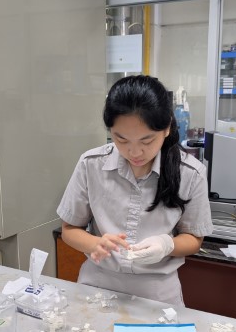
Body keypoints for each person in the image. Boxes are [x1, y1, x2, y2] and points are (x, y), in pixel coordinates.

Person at [57, 75, 213, 306]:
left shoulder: (191, 173)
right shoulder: (91, 164)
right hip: (97, 286)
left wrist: (166, 245)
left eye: (147, 141)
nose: (135, 152)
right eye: (121, 139)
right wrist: (93, 244)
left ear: (167, 128)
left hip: (156, 295)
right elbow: (69, 229)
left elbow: (194, 239)